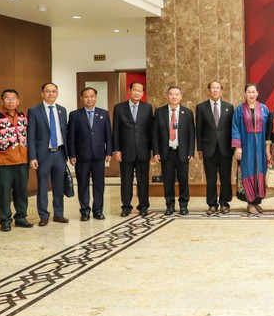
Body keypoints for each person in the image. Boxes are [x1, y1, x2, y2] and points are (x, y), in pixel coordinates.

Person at [0, 89, 32, 232]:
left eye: (13, 99)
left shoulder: (23, 117)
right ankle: (5, 220)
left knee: (21, 192)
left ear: (18, 101)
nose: (10, 101)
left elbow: (28, 138)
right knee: (3, 194)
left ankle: (21, 218)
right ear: (2, 101)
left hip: (22, 162)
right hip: (3, 163)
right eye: (7, 99)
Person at [68, 87, 113, 221]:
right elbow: (71, 137)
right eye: (86, 97)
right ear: (82, 98)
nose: (89, 99)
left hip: (99, 155)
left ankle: (98, 210)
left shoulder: (103, 113)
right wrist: (72, 155)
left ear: (96, 97)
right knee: (83, 184)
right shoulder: (75, 115)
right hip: (81, 156)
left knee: (99, 184)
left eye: (92, 96)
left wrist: (109, 152)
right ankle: (85, 211)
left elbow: (108, 135)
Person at [28, 82, 69, 226]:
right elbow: (31, 135)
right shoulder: (34, 111)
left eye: (53, 91)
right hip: (43, 155)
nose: (51, 94)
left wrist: (69, 154)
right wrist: (32, 157)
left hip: (60, 153)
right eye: (47, 91)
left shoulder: (62, 110)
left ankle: (59, 214)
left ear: (57, 94)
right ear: (42, 94)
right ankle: (44, 215)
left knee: (59, 186)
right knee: (43, 186)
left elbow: (65, 132)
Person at [112, 81, 153, 217]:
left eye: (140, 91)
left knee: (143, 181)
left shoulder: (147, 108)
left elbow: (150, 130)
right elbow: (116, 130)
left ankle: (143, 206)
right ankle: (126, 207)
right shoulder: (119, 108)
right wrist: (116, 150)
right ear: (129, 91)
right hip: (125, 151)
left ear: (143, 93)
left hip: (143, 150)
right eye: (135, 90)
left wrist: (153, 150)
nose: (137, 93)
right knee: (126, 181)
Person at [153, 86, 195, 215]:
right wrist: (156, 151)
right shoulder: (159, 112)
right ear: (167, 96)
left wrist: (191, 152)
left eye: (177, 94)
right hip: (166, 152)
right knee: (168, 181)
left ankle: (183, 205)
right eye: (171, 94)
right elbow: (155, 133)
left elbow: (191, 134)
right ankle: (170, 205)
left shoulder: (187, 112)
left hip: (182, 152)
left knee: (183, 180)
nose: (174, 97)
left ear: (181, 96)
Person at [195, 80, 234, 214]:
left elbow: (232, 128)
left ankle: (224, 203)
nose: (215, 90)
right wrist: (199, 148)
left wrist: (234, 147)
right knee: (210, 178)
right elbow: (198, 129)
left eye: (218, 88)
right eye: (213, 88)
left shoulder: (229, 107)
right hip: (208, 148)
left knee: (225, 177)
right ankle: (212, 204)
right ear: (209, 90)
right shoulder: (201, 107)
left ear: (221, 90)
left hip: (225, 148)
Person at [232, 83, 270, 215]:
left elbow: (269, 129)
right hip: (246, 147)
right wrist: (238, 147)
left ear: (257, 93)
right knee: (248, 171)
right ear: (245, 93)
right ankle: (250, 203)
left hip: (261, 148)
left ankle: (257, 201)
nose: (251, 94)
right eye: (249, 92)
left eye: (254, 92)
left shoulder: (264, 108)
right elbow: (235, 128)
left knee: (260, 171)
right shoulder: (239, 109)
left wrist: (268, 148)